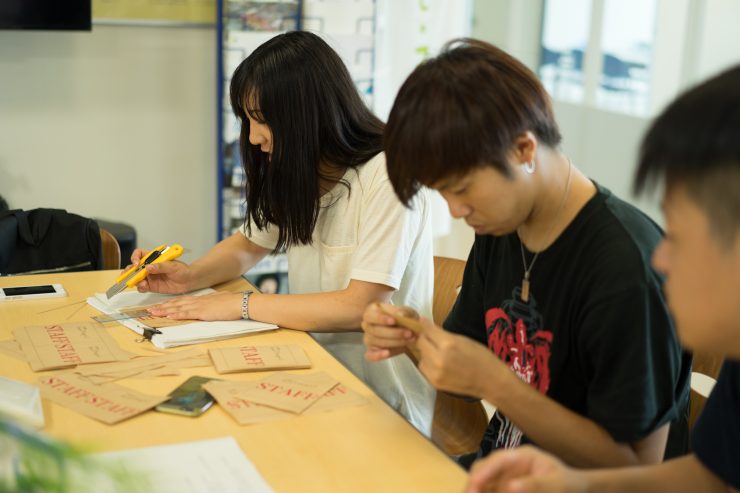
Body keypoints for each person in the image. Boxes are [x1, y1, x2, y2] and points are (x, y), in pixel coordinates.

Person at [361, 38, 690, 468]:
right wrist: (412, 337)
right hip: (503, 468)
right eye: (441, 192)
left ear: (523, 149)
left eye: (461, 189)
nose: (456, 211)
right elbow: (465, 373)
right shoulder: (500, 227)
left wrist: (498, 385)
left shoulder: (625, 270)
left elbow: (635, 466)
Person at [129, 31, 436, 434]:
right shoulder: (303, 169)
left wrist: (240, 305)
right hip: (314, 372)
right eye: (248, 120)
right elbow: (248, 244)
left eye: (261, 120)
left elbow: (361, 307)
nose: (254, 138)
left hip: (385, 403)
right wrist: (191, 275)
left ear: (305, 113)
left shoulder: (391, 174)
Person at [462, 64, 740, 493]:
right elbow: (711, 477)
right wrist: (575, 484)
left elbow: (640, 453)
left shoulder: (626, 266)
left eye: (680, 236)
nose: (661, 259)